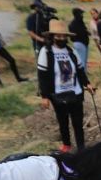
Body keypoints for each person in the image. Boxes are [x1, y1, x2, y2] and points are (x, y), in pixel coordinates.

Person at [37, 20, 95, 153]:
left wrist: (87, 83)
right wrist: (44, 96)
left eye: (64, 36)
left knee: (78, 121)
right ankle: (66, 144)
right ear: (52, 36)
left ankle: (81, 146)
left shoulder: (71, 51)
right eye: (58, 36)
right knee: (63, 120)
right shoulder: (46, 52)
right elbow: (42, 76)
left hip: (75, 92)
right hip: (57, 93)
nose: (61, 38)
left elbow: (80, 70)